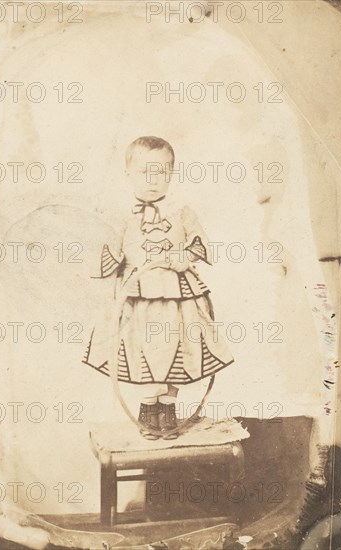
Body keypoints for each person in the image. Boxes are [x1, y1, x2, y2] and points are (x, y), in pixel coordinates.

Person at [83, 136, 234, 439]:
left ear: (171, 174)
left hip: (179, 297)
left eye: (161, 173)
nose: (152, 181)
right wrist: (111, 272)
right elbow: (105, 257)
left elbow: (200, 244)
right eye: (144, 172)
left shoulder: (182, 211)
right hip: (139, 299)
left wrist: (185, 255)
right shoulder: (120, 216)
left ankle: (169, 407)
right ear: (129, 174)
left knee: (179, 347)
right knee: (145, 350)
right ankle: (147, 408)